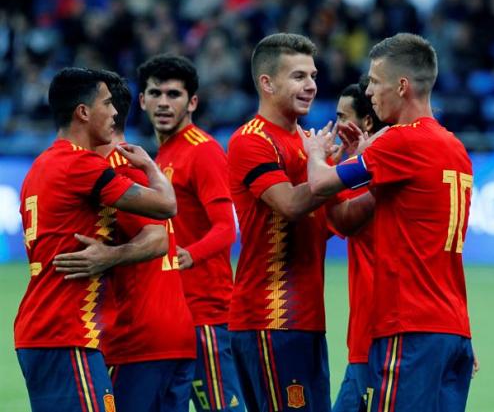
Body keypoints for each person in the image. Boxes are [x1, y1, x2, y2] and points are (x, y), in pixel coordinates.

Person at [301, 33, 475, 412]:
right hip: (452, 329)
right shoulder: (454, 147)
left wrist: (315, 154)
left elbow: (319, 184)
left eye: (375, 81)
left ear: (401, 85)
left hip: (408, 326)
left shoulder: (400, 141)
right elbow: (352, 217)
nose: (370, 90)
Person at [15, 67, 177, 411]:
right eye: (107, 103)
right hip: (66, 331)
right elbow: (166, 206)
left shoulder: (41, 167)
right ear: (83, 112)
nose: (116, 112)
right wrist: (151, 167)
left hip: (42, 331)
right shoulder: (81, 165)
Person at [55, 71, 198, 411]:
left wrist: (107, 256)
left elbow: (158, 237)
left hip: (137, 340)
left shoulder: (113, 169)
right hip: (173, 335)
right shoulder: (140, 165)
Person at [227, 33, 333, 411]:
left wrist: (369, 161)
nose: (311, 86)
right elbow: (289, 204)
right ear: (267, 82)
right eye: (299, 76)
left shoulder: (306, 143)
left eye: (313, 75)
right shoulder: (251, 140)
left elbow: (337, 221)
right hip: (270, 317)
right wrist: (348, 170)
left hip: (304, 320)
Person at [137, 54, 244, 412]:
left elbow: (227, 228)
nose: (164, 103)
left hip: (206, 314)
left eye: (174, 94)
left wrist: (189, 255)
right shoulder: (164, 154)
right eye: (155, 93)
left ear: (192, 101)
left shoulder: (204, 152)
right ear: (142, 100)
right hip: (173, 315)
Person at [331, 79, 385, 412]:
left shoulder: (366, 177)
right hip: (388, 334)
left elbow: (339, 219)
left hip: (376, 334)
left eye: (342, 116)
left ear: (366, 121)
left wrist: (321, 163)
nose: (336, 125)